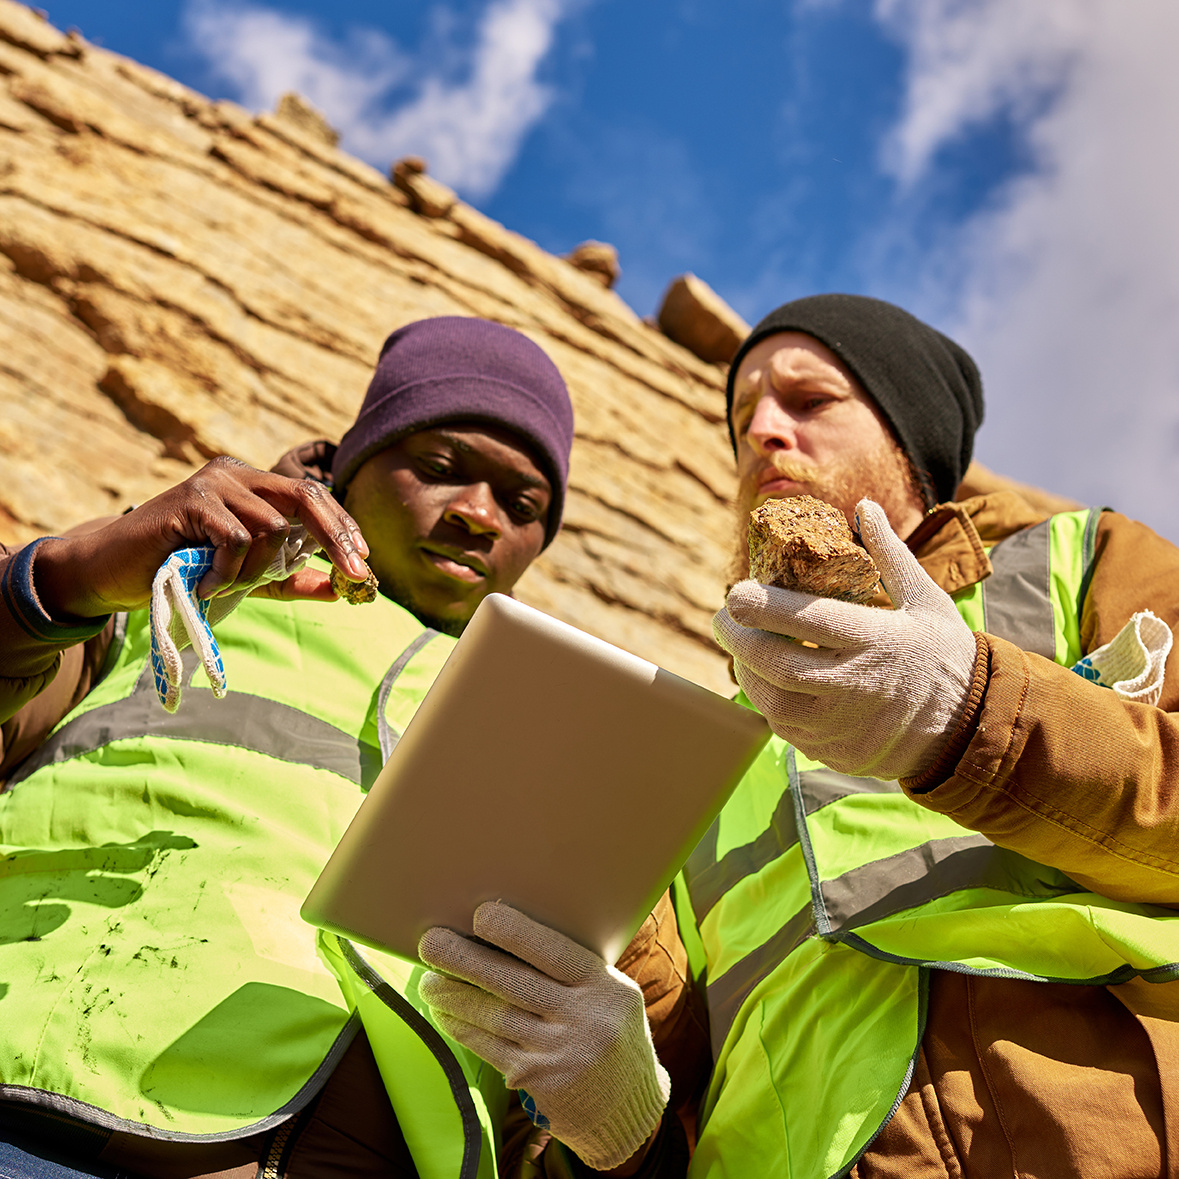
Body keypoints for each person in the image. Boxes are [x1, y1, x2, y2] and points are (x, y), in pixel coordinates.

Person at [421, 294, 1179, 1178]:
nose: (763, 436)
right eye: (741, 422)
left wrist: (971, 712)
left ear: (907, 434)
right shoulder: (692, 753)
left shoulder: (1081, 561)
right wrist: (620, 1131)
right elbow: (662, 1090)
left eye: (808, 400)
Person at [0, 315, 601, 1179]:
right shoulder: (172, 587)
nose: (477, 515)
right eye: (440, 468)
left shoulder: (559, 724)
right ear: (351, 468)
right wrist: (63, 576)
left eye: (523, 505)